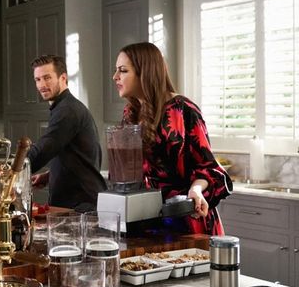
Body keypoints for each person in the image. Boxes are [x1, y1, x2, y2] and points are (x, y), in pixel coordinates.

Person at [113, 42, 232, 235]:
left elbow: (209, 169)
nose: (115, 77)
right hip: (149, 219)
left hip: (188, 218)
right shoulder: (131, 113)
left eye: (123, 70)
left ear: (145, 72)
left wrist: (196, 191)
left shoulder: (183, 110)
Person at [28, 55, 107, 212]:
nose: (42, 85)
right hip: (76, 204)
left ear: (63, 78)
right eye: (37, 80)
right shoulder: (64, 107)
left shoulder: (67, 110)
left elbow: (43, 150)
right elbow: (79, 156)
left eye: (47, 78)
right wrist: (50, 176)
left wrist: (12, 170)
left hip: (81, 207)